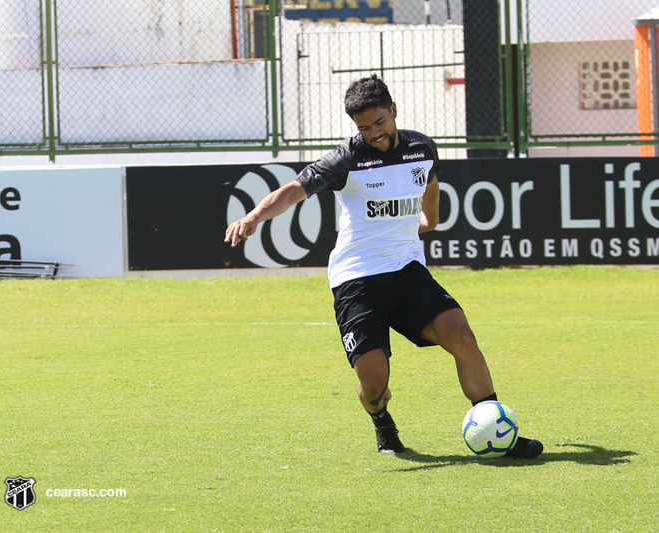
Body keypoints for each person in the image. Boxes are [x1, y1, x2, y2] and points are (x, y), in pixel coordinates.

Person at [225, 74, 542, 458]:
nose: (374, 132)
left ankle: (499, 433)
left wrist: (431, 219)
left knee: (461, 335)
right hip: (357, 279)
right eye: (364, 127)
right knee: (374, 384)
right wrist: (254, 217)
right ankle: (383, 423)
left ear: (393, 111)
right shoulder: (347, 158)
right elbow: (294, 190)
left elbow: (430, 182)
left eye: (380, 122)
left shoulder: (422, 146)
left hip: (407, 269)